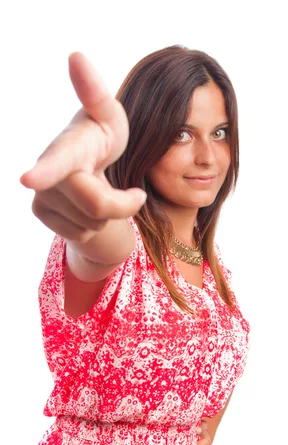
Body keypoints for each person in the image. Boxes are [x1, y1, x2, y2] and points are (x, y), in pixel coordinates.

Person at [20, 45, 250, 445]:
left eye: (219, 133)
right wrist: (71, 184)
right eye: (182, 134)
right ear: (144, 137)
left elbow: (202, 426)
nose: (207, 157)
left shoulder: (214, 272)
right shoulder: (121, 243)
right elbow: (97, 238)